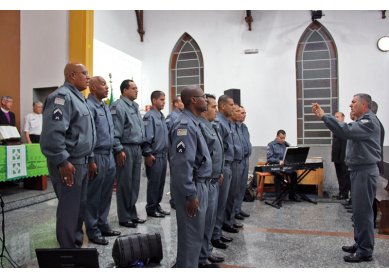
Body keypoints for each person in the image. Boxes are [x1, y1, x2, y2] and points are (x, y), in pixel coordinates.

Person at [312, 93, 381, 263]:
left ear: (364, 105)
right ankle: (360, 243)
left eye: (354, 102)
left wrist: (324, 116)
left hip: (364, 171)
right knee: (358, 212)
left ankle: (365, 250)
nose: (350, 105)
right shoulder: (361, 121)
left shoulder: (369, 121)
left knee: (363, 212)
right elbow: (346, 129)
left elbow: (345, 130)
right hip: (358, 170)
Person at [40, 62, 96, 248]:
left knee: (79, 209)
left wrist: (90, 158)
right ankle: (67, 252)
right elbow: (53, 134)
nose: (88, 77)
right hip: (70, 163)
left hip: (81, 161)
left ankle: (76, 246)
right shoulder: (61, 97)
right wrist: (62, 161)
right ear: (72, 76)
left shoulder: (79, 98)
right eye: (84, 73)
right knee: (69, 210)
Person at [169, 86, 211, 268]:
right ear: (193, 100)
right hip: (192, 187)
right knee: (190, 237)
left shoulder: (194, 122)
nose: (207, 101)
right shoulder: (184, 126)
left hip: (199, 184)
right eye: (203, 97)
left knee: (195, 235)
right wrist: (190, 195)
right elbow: (181, 165)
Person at [85, 76, 121, 246]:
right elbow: (89, 135)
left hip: (109, 155)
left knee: (106, 193)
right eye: (103, 85)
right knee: (94, 195)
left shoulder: (104, 107)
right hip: (97, 155)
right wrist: (91, 158)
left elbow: (111, 131)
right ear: (92, 88)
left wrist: (116, 150)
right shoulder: (89, 106)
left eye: (107, 85)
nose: (106, 88)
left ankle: (103, 224)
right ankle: (92, 230)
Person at [111, 79, 146, 228]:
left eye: (136, 88)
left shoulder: (134, 106)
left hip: (137, 148)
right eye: (133, 88)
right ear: (125, 90)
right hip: (125, 148)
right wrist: (118, 149)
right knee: (125, 183)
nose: (136, 90)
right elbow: (115, 131)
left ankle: (131, 213)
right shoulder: (119, 106)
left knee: (134, 184)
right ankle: (124, 217)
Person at [198, 94, 225, 267]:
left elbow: (216, 152)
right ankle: (201, 257)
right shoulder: (199, 126)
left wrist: (219, 171)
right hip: (204, 181)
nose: (216, 110)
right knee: (204, 222)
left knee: (211, 220)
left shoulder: (211, 126)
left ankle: (206, 252)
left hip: (214, 179)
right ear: (204, 107)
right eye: (213, 107)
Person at [211, 95, 235, 250]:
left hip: (228, 165)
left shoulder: (226, 122)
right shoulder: (219, 122)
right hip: (223, 166)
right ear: (223, 106)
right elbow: (219, 148)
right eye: (231, 105)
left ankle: (217, 232)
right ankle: (215, 236)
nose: (233, 107)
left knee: (223, 203)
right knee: (219, 205)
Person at [142, 90, 170, 218]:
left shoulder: (161, 116)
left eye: (164, 100)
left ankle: (157, 205)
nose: (164, 102)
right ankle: (151, 208)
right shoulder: (150, 116)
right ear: (154, 100)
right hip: (154, 155)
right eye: (161, 100)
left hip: (163, 155)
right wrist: (148, 153)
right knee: (154, 183)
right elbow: (147, 138)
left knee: (160, 183)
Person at [223, 103, 244, 231]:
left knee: (235, 193)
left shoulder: (237, 126)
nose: (240, 113)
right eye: (236, 110)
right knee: (227, 197)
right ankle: (225, 223)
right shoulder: (223, 124)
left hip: (238, 161)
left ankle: (231, 219)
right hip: (229, 163)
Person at [266, 129, 300, 207]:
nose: (283, 140)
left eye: (284, 138)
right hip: (274, 166)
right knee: (278, 175)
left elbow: (290, 154)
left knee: (294, 173)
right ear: (277, 136)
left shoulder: (286, 144)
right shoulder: (271, 145)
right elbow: (269, 158)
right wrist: (278, 161)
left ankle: (292, 195)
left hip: (284, 166)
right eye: (281, 138)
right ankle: (278, 198)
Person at [166, 95, 184, 209]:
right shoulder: (172, 117)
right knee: (175, 176)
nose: (184, 104)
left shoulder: (182, 116)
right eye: (181, 102)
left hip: (181, 150)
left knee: (181, 175)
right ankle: (174, 200)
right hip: (174, 151)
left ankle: (179, 198)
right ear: (176, 104)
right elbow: (169, 135)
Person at [234, 105, 252, 219]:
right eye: (241, 112)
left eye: (245, 113)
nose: (244, 115)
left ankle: (238, 208)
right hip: (238, 161)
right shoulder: (234, 126)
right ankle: (234, 211)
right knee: (235, 188)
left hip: (246, 159)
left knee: (242, 186)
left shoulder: (244, 127)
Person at [331, 112, 351, 200]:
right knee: (339, 175)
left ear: (343, 118)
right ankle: (341, 192)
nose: (336, 118)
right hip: (336, 156)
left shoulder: (346, 128)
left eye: (338, 117)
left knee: (345, 175)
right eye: (335, 117)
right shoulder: (335, 128)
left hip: (344, 156)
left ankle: (345, 193)